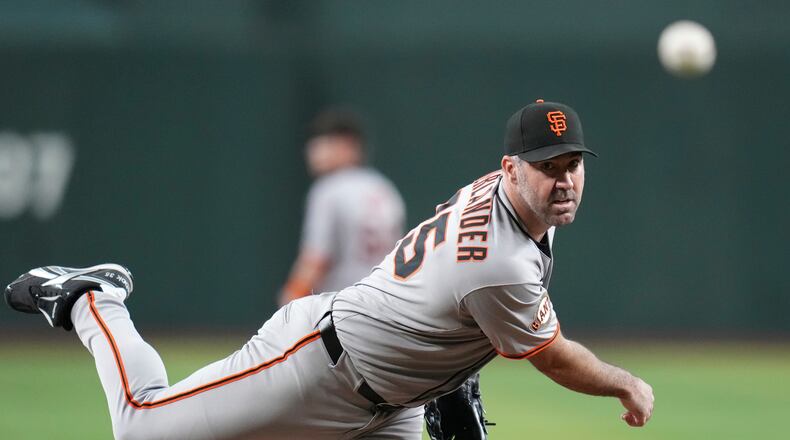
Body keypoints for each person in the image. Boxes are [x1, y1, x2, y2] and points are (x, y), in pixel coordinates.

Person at [5, 99, 654, 440]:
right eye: (548, 165)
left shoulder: (497, 197)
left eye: (572, 163)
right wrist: (624, 383)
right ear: (511, 169)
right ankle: (95, 301)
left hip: (393, 400)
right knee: (141, 428)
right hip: (319, 365)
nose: (564, 179)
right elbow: (551, 355)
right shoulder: (502, 260)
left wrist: (446, 377)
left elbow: (448, 295)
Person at [279, 109, 405, 306]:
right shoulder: (384, 188)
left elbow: (316, 258)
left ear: (349, 146)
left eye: (325, 143)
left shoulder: (328, 189)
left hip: (341, 305)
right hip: (385, 302)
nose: (315, 151)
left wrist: (290, 299)